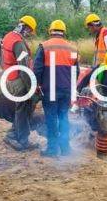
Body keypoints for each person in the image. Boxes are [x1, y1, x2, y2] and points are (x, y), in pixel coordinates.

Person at [33, 20, 79, 157]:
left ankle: (52, 149)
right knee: (64, 117)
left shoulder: (44, 46)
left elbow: (37, 68)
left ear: (50, 31)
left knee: (51, 118)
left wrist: (36, 85)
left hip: (50, 90)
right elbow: (75, 72)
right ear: (64, 32)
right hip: (66, 90)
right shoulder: (72, 49)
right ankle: (65, 148)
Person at [1, 15, 39, 151]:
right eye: (30, 31)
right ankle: (22, 139)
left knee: (21, 108)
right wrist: (32, 88)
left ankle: (13, 134)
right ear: (25, 28)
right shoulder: (18, 43)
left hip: (9, 78)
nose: (29, 35)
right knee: (24, 108)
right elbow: (24, 69)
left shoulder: (8, 37)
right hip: (18, 80)